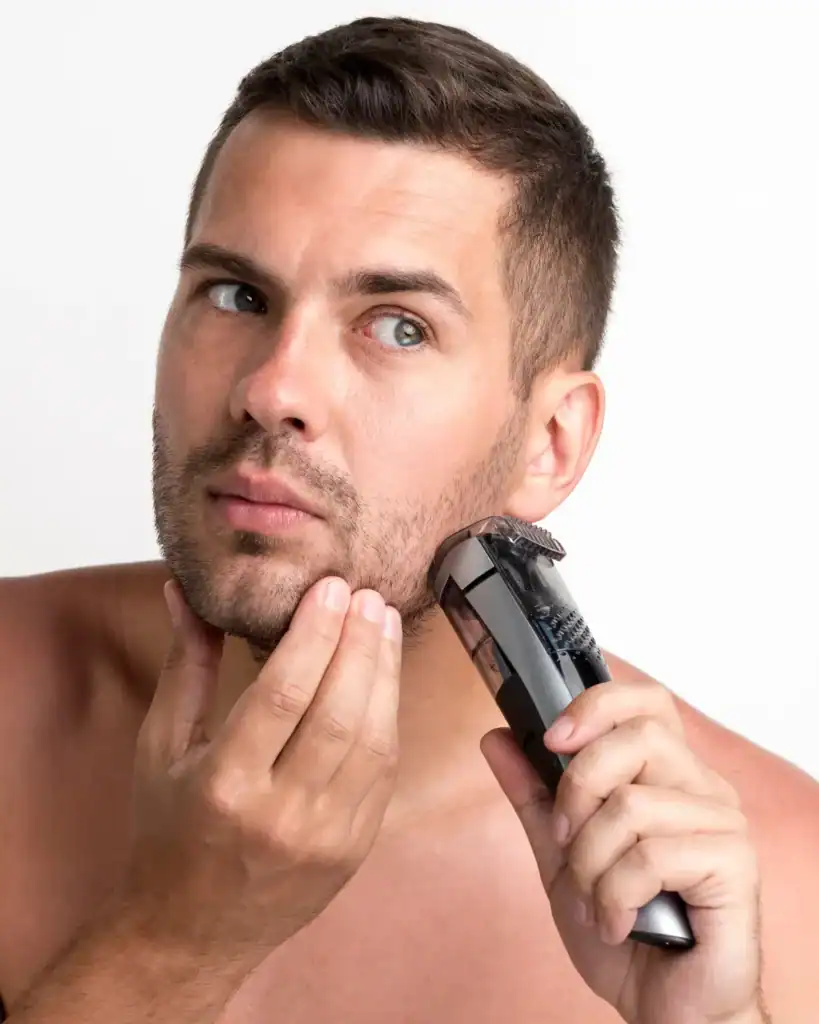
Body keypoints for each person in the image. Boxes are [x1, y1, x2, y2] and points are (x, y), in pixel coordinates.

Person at [0, 15, 815, 1024]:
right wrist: (172, 941)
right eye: (237, 294)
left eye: (398, 326)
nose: (273, 389)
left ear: (549, 441)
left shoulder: (773, 892)